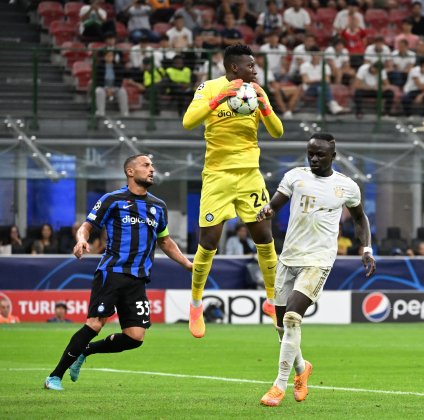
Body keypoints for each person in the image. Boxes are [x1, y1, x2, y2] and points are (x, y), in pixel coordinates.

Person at [44, 154, 192, 391]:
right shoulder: (112, 199)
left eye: (152, 166)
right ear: (130, 172)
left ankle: (86, 351)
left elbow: (165, 242)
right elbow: (87, 225)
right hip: (111, 273)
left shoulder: (158, 206)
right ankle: (54, 377)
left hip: (138, 279)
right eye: (146, 165)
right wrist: (82, 240)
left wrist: (188, 264)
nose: (152, 169)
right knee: (95, 324)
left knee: (135, 337)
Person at [257, 132, 376, 407]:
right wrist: (266, 211)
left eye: (320, 154)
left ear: (333, 156)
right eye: (310, 153)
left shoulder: (346, 186)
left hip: (318, 260)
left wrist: (367, 249)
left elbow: (360, 218)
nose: (314, 158)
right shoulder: (295, 176)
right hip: (288, 258)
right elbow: (275, 204)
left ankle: (278, 385)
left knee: (291, 320)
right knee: (279, 326)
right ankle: (302, 369)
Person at [182, 44, 283, 338]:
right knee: (209, 242)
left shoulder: (256, 92)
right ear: (234, 68)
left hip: (250, 175)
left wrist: (264, 106)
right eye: (251, 66)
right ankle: (196, 303)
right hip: (217, 176)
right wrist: (219, 100)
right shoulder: (209, 87)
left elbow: (277, 131)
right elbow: (188, 122)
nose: (255, 70)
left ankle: (271, 299)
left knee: (264, 238)